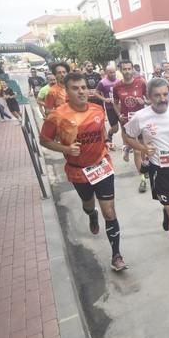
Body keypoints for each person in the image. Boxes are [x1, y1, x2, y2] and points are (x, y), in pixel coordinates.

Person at [39, 72, 126, 271]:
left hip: (101, 165)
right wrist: (66, 149)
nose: (81, 92)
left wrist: (105, 142)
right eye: (75, 88)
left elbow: (101, 131)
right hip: (78, 171)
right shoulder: (57, 115)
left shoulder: (97, 108)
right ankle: (91, 214)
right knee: (88, 203)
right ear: (67, 91)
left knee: (110, 211)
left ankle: (116, 255)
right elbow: (44, 140)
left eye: (83, 87)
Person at [123, 78, 169, 274]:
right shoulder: (141, 117)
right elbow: (127, 135)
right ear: (149, 97)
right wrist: (141, 147)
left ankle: (167, 211)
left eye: (165, 94)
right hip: (160, 171)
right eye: (157, 95)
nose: (162, 99)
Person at [113, 60, 149, 193]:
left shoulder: (141, 83)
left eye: (129, 69)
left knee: (145, 149)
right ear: (121, 70)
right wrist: (119, 114)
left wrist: (144, 101)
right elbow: (115, 102)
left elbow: (150, 99)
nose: (127, 71)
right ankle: (143, 178)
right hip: (128, 123)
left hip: (143, 122)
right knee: (138, 151)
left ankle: (144, 165)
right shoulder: (117, 86)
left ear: (133, 69)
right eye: (124, 69)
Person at [95, 64, 120, 150]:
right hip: (110, 108)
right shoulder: (102, 82)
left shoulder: (119, 81)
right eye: (110, 72)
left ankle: (126, 145)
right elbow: (96, 93)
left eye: (114, 72)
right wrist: (104, 99)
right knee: (115, 128)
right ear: (106, 73)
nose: (113, 74)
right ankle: (109, 136)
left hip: (119, 107)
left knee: (125, 127)